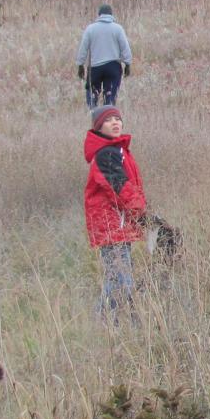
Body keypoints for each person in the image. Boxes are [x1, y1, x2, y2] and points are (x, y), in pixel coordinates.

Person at [83, 104, 146, 320]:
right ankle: (110, 323)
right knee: (120, 279)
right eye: (108, 120)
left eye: (117, 119)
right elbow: (118, 187)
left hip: (119, 225)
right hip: (112, 226)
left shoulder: (118, 150)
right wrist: (140, 211)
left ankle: (112, 323)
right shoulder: (106, 154)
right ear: (99, 127)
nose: (115, 123)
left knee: (118, 277)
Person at [75, 3, 133, 106]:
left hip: (95, 68)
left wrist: (80, 65)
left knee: (92, 97)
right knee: (110, 97)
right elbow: (125, 48)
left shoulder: (90, 29)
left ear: (99, 15)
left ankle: (93, 115)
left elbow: (83, 48)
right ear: (111, 15)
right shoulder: (118, 28)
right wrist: (127, 64)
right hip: (113, 67)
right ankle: (108, 114)